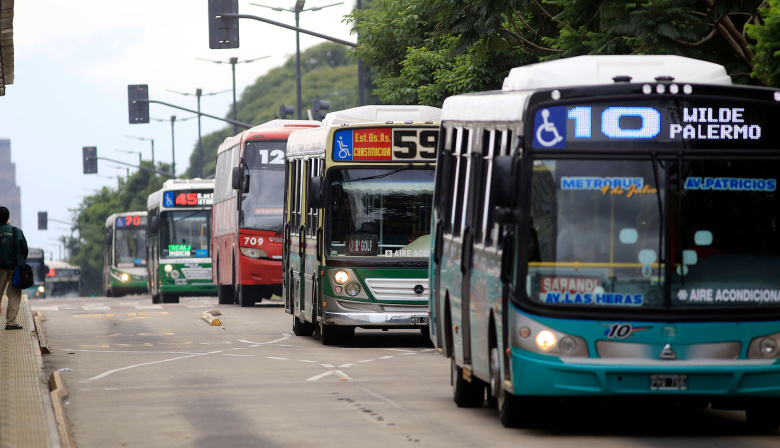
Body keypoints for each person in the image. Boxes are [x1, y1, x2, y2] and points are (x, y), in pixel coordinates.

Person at [0, 206, 28, 330]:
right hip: (14, 269)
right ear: (8, 218)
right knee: (14, 295)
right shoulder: (16, 231)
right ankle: (11, 323)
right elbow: (24, 249)